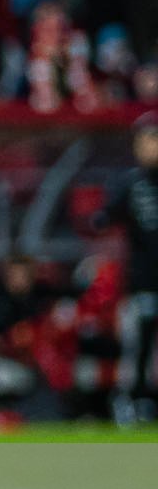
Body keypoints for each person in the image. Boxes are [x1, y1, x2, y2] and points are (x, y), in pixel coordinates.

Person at [99, 115, 158, 424]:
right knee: (139, 349)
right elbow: (104, 216)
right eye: (145, 141)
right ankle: (130, 403)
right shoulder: (131, 183)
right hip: (143, 283)